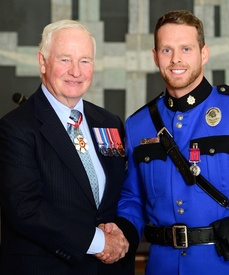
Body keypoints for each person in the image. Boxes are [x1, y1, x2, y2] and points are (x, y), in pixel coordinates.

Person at [113, 10, 229, 275]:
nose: (176, 58)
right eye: (166, 50)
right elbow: (132, 198)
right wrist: (120, 234)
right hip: (161, 267)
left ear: (204, 53)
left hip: (227, 267)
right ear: (155, 57)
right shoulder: (137, 125)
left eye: (186, 48)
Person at [0, 19, 137, 275]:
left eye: (85, 61)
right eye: (65, 59)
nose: (76, 71)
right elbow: (25, 208)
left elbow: (125, 191)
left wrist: (122, 234)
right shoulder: (15, 128)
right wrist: (98, 242)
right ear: (42, 62)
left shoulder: (109, 122)